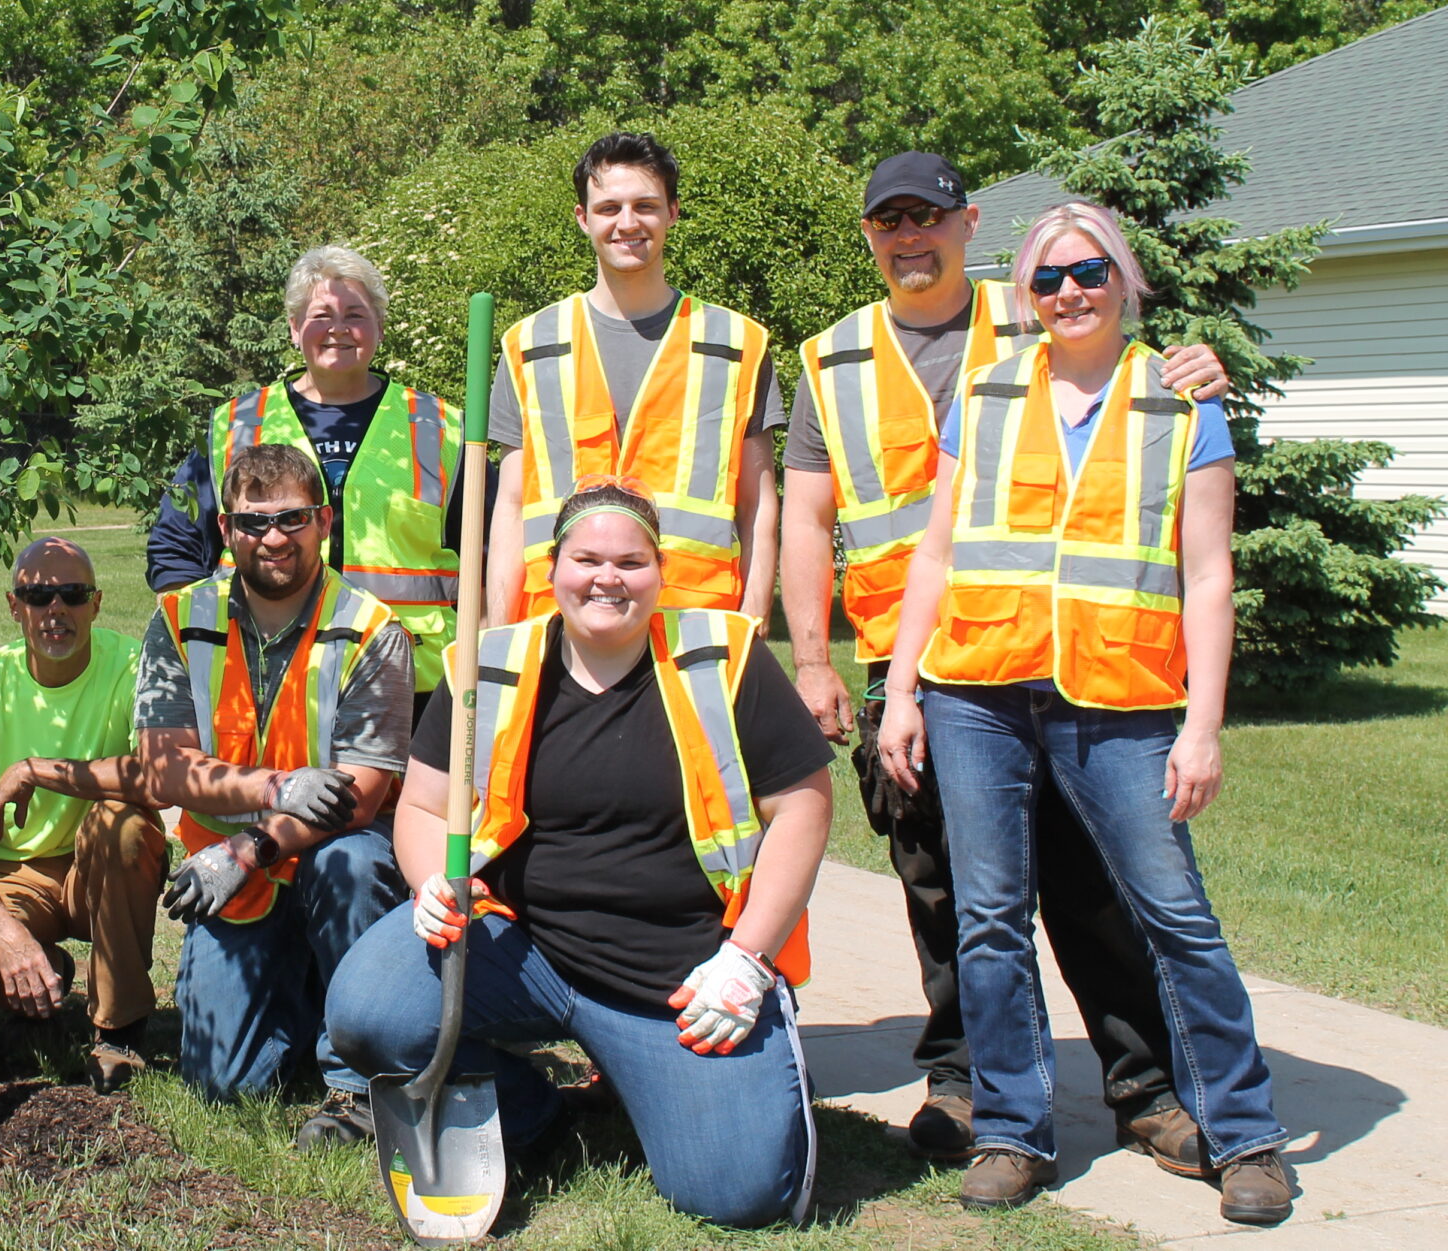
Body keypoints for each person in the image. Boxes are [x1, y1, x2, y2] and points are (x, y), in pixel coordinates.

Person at [781, 151, 1227, 1166]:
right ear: (867, 235)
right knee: (944, 891)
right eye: (887, 220)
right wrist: (815, 662)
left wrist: (1190, 362)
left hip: (1049, 660)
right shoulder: (832, 359)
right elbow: (808, 520)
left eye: (927, 218)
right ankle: (966, 1082)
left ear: (967, 222)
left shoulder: (1037, 307)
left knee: (1090, 886)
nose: (908, 237)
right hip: (912, 665)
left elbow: (1134, 375)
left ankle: (1144, 1088)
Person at [876, 201, 1294, 1224]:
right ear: (1026, 293)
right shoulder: (979, 397)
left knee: (1175, 918)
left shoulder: (1182, 399)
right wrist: (900, 687)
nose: (1069, 292)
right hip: (976, 690)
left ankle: (1244, 1137)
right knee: (988, 923)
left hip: (1122, 701)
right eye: (1048, 277)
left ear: (1125, 280)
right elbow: (932, 552)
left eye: (1089, 273)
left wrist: (1201, 725)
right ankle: (1014, 1134)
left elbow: (1207, 576)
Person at [328, 480, 832, 1230]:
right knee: (369, 1009)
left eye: (629, 561)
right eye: (586, 557)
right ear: (553, 566)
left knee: (739, 1191)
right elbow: (425, 807)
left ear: (659, 570)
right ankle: (531, 1114)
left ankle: (681, 1074)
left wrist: (748, 960)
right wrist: (432, 877)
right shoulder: (489, 664)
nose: (607, 577)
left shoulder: (722, 660)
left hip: (678, 978)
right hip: (523, 951)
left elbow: (804, 807)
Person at [139, 442, 413, 1149]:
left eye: (293, 518)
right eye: (253, 522)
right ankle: (314, 1000)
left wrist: (250, 844)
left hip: (329, 857)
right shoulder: (178, 617)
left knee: (351, 863)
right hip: (234, 885)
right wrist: (279, 786)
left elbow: (360, 793)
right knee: (223, 1083)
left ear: (324, 522)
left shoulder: (374, 629)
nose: (274, 537)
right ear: (226, 532)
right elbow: (165, 769)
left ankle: (358, 1084)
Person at [148, 246, 474, 696]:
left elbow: (493, 554)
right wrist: (194, 644)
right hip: (261, 679)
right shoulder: (240, 425)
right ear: (294, 327)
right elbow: (174, 548)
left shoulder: (442, 428)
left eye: (355, 315)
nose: (338, 329)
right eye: (322, 315)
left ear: (379, 327)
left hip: (412, 684)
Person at [485, 131, 782, 625]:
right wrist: (498, 629)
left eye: (645, 205)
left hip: (695, 626)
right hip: (558, 627)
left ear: (672, 213)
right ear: (583, 219)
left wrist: (753, 620)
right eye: (608, 208)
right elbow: (511, 505)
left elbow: (758, 504)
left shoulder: (737, 344)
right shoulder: (530, 345)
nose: (627, 223)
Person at [0, 537, 166, 1090]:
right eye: (38, 596)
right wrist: (8, 936)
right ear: (15, 607)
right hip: (13, 874)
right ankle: (39, 975)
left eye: (72, 594)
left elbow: (160, 782)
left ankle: (119, 1030)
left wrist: (39, 769)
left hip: (96, 862)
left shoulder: (135, 668)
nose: (55, 610)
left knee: (123, 825)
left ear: (98, 603)